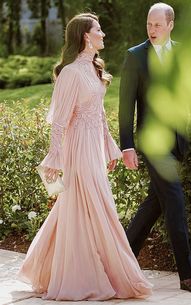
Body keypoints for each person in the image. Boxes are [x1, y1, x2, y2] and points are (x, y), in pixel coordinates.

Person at [18, 13, 152, 301]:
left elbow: (100, 115)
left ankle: (44, 267)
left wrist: (110, 147)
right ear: (85, 36)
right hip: (78, 148)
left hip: (93, 146)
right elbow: (59, 121)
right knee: (88, 204)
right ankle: (83, 275)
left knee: (79, 206)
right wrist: (55, 156)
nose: (103, 34)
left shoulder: (93, 68)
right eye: (98, 30)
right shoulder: (70, 73)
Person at [119, 2, 191, 294]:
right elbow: (125, 106)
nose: (152, 30)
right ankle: (188, 277)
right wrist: (127, 147)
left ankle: (118, 260)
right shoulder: (135, 56)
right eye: (149, 24)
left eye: (158, 25)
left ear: (170, 25)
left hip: (178, 142)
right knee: (174, 202)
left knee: (154, 205)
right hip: (151, 144)